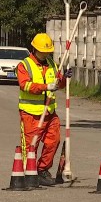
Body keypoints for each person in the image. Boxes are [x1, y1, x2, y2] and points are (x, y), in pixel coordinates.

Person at [16, 33, 72, 186]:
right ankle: (30, 173)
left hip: (49, 113)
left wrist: (64, 79)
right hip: (31, 113)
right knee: (30, 145)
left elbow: (58, 84)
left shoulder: (52, 64)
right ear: (34, 49)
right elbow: (25, 85)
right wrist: (46, 87)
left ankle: (42, 170)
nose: (46, 53)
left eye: (48, 51)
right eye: (43, 51)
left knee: (53, 141)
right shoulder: (24, 65)